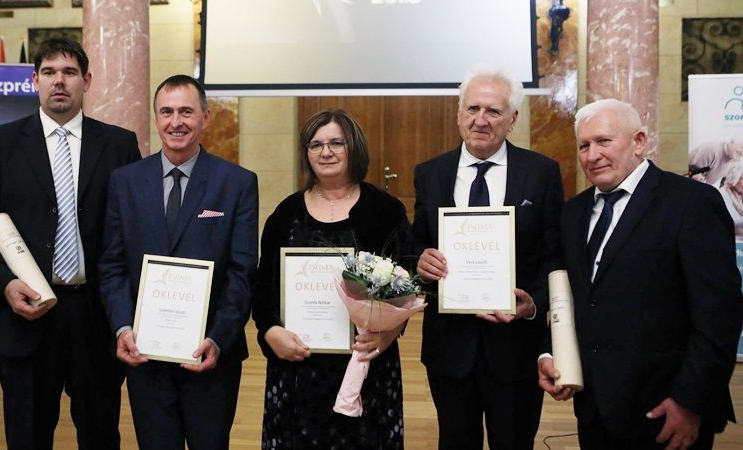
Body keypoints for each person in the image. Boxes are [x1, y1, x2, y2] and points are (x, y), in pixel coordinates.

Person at [0, 37, 141, 449]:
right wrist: (6, 284)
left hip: (95, 318)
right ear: (34, 80)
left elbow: (133, 231)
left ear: (86, 81)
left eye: (70, 72)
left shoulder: (119, 145)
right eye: (49, 72)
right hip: (24, 315)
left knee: (100, 435)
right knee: (27, 436)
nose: (59, 81)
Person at [538, 99, 743, 450]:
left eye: (603, 141)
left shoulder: (691, 202)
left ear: (639, 141)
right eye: (584, 146)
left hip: (665, 410)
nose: (592, 155)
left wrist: (690, 400)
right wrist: (550, 353)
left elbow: (719, 315)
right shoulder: (573, 213)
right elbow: (574, 299)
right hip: (595, 409)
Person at [99, 74, 258, 450]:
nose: (176, 122)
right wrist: (123, 328)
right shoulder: (124, 182)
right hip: (146, 355)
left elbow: (242, 272)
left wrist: (217, 338)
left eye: (186, 112)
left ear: (205, 117)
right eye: (166, 112)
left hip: (211, 356)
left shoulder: (236, 183)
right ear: (156, 118)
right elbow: (112, 265)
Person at [412, 65, 563, 450]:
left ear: (512, 119)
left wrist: (533, 305)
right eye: (473, 108)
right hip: (449, 348)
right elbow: (415, 244)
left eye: (494, 111)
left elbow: (553, 255)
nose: (481, 120)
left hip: (515, 347)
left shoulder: (542, 173)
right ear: (458, 114)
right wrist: (420, 262)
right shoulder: (429, 174)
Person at [251, 109, 412, 449]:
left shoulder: (384, 210)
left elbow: (406, 281)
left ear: (354, 147)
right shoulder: (286, 214)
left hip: (366, 365)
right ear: (306, 153)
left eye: (337, 143)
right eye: (316, 144)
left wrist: (389, 332)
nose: (326, 152)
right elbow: (263, 286)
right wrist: (270, 331)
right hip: (297, 369)